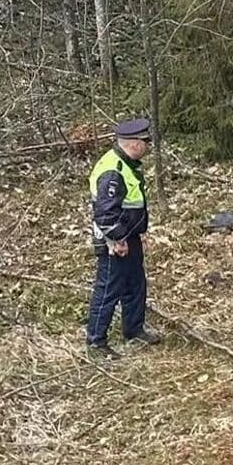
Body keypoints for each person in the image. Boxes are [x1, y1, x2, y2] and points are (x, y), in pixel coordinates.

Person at [85, 118, 160, 358]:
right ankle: (96, 341)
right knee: (108, 288)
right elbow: (105, 213)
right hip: (114, 241)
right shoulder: (112, 170)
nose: (148, 146)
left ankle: (134, 329)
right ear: (135, 144)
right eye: (146, 141)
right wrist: (117, 240)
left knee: (135, 285)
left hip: (129, 236)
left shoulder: (126, 164)